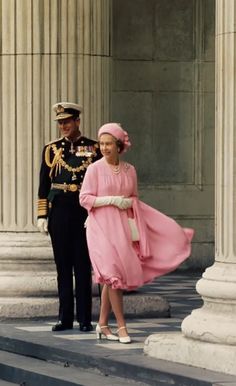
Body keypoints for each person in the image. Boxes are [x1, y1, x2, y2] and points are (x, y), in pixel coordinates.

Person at [79, 122, 194, 343]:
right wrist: (110, 200)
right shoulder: (94, 169)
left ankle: (102, 325)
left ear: (119, 145)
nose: (104, 148)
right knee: (113, 277)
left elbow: (134, 197)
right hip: (100, 226)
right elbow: (84, 198)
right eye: (101, 144)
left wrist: (127, 204)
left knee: (112, 278)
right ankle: (122, 327)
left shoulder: (130, 170)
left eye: (108, 143)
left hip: (121, 227)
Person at [37, 102, 101, 332]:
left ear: (77, 121)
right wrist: (42, 215)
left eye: (67, 121)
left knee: (83, 266)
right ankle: (64, 318)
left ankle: (84, 318)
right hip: (60, 211)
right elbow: (44, 184)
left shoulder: (93, 148)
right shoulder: (51, 149)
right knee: (62, 266)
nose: (63, 126)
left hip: (83, 212)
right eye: (60, 122)